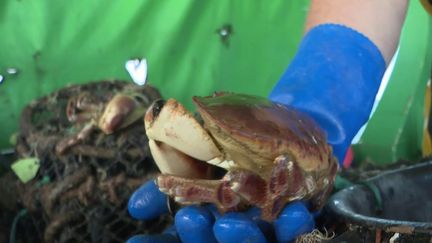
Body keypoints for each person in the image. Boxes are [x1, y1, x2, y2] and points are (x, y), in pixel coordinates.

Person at [127, 1, 417, 242]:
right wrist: (323, 90)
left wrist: (191, 189)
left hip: (294, 176)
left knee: (237, 182)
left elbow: (242, 180)